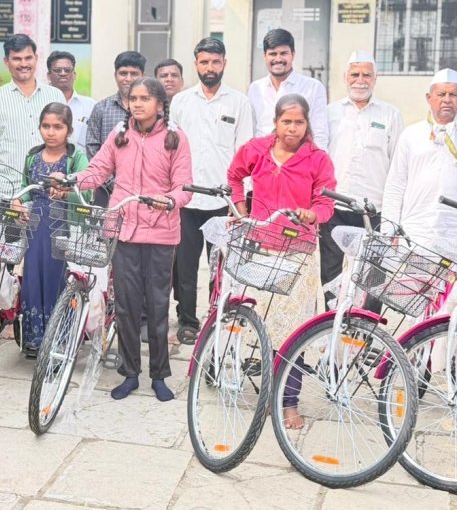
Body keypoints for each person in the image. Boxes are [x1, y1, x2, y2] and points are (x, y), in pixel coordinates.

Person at [64, 77, 192, 402]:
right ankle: (130, 373)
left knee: (158, 306)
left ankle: (160, 374)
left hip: (161, 233)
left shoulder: (175, 139)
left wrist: (171, 200)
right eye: (133, 98)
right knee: (126, 305)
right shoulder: (119, 136)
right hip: (122, 229)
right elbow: (98, 170)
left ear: (160, 104)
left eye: (145, 98)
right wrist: (70, 181)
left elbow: (184, 185)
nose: (137, 103)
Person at [227, 94, 336, 429]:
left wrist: (312, 213)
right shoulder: (256, 149)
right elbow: (233, 176)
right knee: (262, 326)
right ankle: (265, 393)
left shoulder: (318, 159)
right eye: (286, 121)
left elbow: (326, 203)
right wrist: (241, 211)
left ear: (307, 125)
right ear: (275, 122)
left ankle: (289, 402)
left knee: (294, 332)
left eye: (299, 122)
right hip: (261, 249)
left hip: (298, 253)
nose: (292, 128)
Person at [169, 38, 254, 344]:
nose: (209, 67)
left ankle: (217, 316)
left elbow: (245, 155)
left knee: (221, 266)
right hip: (188, 197)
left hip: (223, 201)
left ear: (224, 64)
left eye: (215, 62)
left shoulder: (239, 102)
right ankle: (188, 321)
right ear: (196, 64)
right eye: (204, 62)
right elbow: (172, 150)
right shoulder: (181, 102)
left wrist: (242, 202)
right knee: (186, 266)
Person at [320, 51, 404, 306]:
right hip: (335, 206)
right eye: (355, 74)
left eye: (367, 75)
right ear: (345, 77)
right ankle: (328, 329)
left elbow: (398, 168)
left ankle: (368, 336)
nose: (360, 80)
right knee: (331, 272)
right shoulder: (329, 112)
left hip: (374, 208)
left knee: (374, 277)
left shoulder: (390, 115)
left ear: (375, 79)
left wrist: (395, 215)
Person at [382, 68, 457, 249]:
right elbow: (396, 183)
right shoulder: (411, 134)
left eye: (453, 95)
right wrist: (390, 228)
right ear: (429, 98)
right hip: (417, 229)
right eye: (441, 94)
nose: (447, 100)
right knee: (414, 278)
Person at [18, 103, 89, 355]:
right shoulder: (32, 156)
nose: (51, 132)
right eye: (46, 126)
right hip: (34, 228)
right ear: (39, 128)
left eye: (58, 127)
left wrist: (65, 193)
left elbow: (86, 193)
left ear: (69, 130)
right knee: (32, 279)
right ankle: (35, 340)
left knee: (58, 279)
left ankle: (60, 340)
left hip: (63, 228)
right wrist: (19, 202)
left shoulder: (75, 158)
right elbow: (25, 189)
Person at [0, 34, 65, 195]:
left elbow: (68, 142)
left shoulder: (55, 96)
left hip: (52, 192)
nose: (23, 64)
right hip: (9, 192)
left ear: (36, 58)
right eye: (17, 59)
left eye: (28, 58)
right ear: (6, 61)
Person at [248, 28, 329, 148]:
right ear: (265, 56)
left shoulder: (313, 87)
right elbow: (251, 131)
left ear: (293, 55)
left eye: (283, 53)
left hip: (299, 162)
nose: (278, 59)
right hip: (263, 162)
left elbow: (320, 133)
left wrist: (318, 163)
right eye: (273, 54)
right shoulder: (255, 89)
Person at [85, 50, 146, 207]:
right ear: (115, 75)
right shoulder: (101, 108)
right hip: (105, 191)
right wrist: (113, 184)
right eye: (123, 73)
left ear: (143, 75)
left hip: (144, 193)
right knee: (105, 231)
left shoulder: (152, 111)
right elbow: (93, 149)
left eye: (134, 73)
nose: (128, 79)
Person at [46, 50, 95, 154]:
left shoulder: (91, 106)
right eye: (57, 70)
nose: (63, 73)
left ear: (74, 75)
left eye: (67, 70)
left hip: (82, 167)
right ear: (49, 76)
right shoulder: (41, 104)